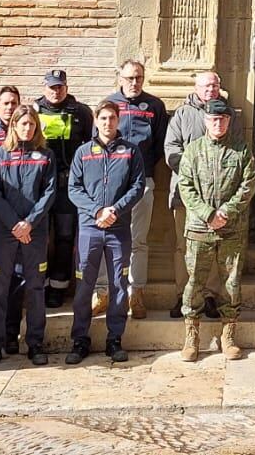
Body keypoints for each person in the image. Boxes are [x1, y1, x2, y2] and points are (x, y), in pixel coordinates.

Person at [0, 107, 54, 367]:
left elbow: (49, 193)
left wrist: (28, 223)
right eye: (23, 124)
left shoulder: (46, 156)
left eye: (31, 124)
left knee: (35, 288)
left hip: (34, 233)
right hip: (4, 232)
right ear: (13, 126)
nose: (27, 128)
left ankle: (35, 344)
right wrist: (14, 223)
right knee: (0, 289)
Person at [177, 97, 255, 362]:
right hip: (200, 228)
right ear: (205, 120)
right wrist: (209, 214)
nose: (218, 123)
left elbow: (248, 185)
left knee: (231, 283)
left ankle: (228, 334)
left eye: (222, 119)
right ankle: (192, 336)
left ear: (229, 121)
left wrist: (226, 212)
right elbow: (185, 187)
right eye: (213, 119)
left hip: (231, 229)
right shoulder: (193, 150)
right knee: (195, 283)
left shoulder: (240, 150)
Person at [67, 99, 144, 365]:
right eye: (103, 119)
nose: (108, 123)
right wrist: (97, 211)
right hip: (90, 228)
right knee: (84, 285)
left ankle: (115, 339)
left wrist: (115, 210)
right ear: (96, 121)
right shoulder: (83, 152)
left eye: (112, 118)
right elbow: (74, 189)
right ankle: (79, 339)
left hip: (118, 228)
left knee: (118, 284)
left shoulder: (131, 151)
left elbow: (137, 186)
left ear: (118, 120)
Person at [163, 71, 243, 320]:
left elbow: (238, 150)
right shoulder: (182, 114)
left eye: (215, 84)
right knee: (184, 246)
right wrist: (194, 173)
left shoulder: (229, 115)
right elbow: (171, 150)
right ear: (196, 87)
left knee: (214, 247)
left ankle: (209, 296)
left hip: (220, 198)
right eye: (206, 85)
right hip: (186, 194)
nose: (211, 88)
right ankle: (184, 295)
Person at [96, 59, 167, 323]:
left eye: (138, 77)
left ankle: (135, 293)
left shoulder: (155, 106)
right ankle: (102, 292)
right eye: (129, 78)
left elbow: (161, 145)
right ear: (120, 79)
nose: (134, 83)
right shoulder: (108, 105)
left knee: (138, 241)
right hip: (110, 186)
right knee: (104, 238)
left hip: (143, 181)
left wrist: (142, 169)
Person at [35, 70, 93, 302]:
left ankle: (58, 288)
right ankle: (37, 286)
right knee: (38, 235)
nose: (55, 91)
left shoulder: (81, 112)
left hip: (67, 186)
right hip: (38, 185)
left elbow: (90, 145)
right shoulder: (34, 111)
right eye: (52, 87)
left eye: (60, 87)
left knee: (65, 236)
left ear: (66, 88)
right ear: (44, 88)